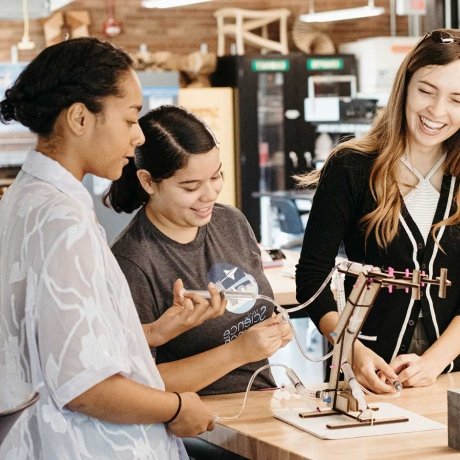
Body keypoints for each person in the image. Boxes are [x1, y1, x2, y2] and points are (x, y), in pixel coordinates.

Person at [0, 37, 218, 460]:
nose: (137, 137)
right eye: (130, 119)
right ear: (80, 118)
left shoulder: (25, 199)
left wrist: (152, 333)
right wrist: (177, 406)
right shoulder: (61, 220)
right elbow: (83, 386)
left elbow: (50, 339)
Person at [296, 29, 460, 394]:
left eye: (456, 99)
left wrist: (432, 363)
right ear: (405, 87)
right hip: (362, 380)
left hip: (449, 379)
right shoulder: (351, 166)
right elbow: (311, 277)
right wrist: (351, 348)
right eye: (426, 91)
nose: (437, 111)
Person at [105, 105, 292, 397]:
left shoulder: (231, 221)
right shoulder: (133, 260)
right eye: (191, 186)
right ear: (148, 181)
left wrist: (275, 330)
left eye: (216, 177)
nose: (210, 194)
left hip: (262, 403)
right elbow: (137, 383)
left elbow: (260, 308)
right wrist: (237, 352)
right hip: (198, 424)